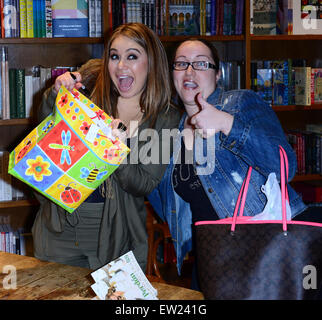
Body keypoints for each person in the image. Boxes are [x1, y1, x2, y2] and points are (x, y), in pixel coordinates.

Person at [147, 38, 308, 287]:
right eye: (181, 64)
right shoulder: (172, 130)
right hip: (211, 260)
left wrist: (226, 123)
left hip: (264, 254)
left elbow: (285, 165)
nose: (189, 71)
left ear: (218, 73)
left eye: (201, 63)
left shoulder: (241, 104)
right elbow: (167, 203)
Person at [32, 23, 181, 271]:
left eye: (132, 56)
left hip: (116, 236)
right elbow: (48, 128)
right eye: (114, 56)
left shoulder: (165, 117)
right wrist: (56, 95)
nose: (121, 65)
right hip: (58, 228)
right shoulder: (91, 97)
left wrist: (118, 153)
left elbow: (143, 183)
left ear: (151, 62)